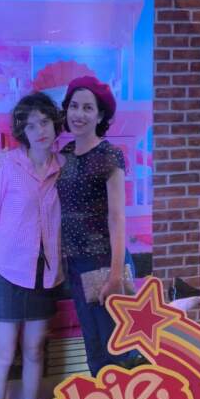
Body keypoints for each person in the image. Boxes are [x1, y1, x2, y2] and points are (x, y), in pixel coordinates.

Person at [0, 92, 65, 399]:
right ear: (22, 133)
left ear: (55, 124)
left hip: (45, 273)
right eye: (31, 126)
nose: (40, 130)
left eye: (44, 122)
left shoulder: (63, 167)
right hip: (5, 271)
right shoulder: (7, 165)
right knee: (2, 354)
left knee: (34, 350)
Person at [56, 75, 140, 377]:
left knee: (118, 345)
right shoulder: (64, 156)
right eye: (74, 106)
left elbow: (117, 217)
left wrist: (116, 274)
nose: (79, 114)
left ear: (100, 114)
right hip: (77, 263)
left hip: (105, 261)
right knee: (93, 344)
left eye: (87, 108)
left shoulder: (109, 155)